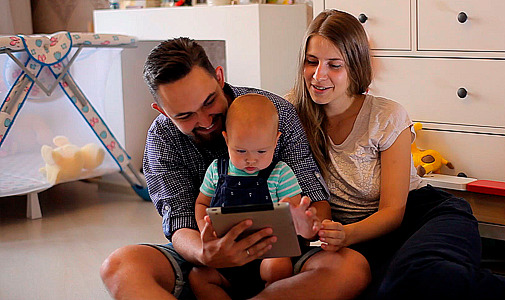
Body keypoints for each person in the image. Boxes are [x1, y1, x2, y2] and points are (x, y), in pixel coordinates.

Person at [290, 9, 505, 300]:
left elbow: (392, 213)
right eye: (311, 62)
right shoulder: (292, 114)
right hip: (354, 237)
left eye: (334, 65)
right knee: (388, 289)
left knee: (421, 277)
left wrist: (346, 235)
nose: (318, 75)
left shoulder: (386, 115)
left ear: (354, 67)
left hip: (419, 216)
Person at [99, 37, 370, 300]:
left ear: (219, 77)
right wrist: (207, 253)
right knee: (119, 266)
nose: (205, 121)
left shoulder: (276, 113)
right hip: (207, 260)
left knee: (351, 269)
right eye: (184, 115)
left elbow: (315, 200)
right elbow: (179, 223)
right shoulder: (162, 138)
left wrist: (307, 222)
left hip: (280, 260)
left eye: (208, 102)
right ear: (162, 111)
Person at [190, 94, 313, 298]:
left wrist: (298, 214)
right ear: (226, 139)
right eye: (240, 151)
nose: (251, 160)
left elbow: (296, 213)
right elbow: (202, 202)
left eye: (261, 152)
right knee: (198, 276)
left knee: (277, 267)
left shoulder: (280, 173)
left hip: (268, 254)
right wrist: (205, 229)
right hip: (226, 255)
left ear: (276, 141)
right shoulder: (216, 170)